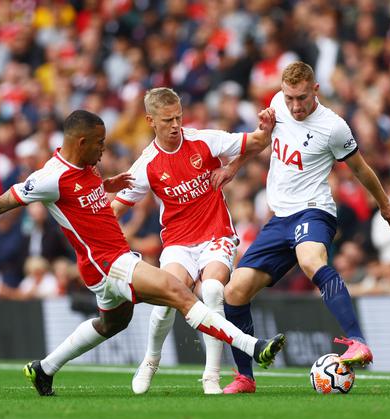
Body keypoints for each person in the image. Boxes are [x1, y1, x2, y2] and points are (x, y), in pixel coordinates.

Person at [0, 109, 287, 396]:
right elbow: (1, 203)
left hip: (103, 266)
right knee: (179, 292)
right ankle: (253, 346)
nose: (105, 148)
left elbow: (83, 194)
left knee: (112, 325)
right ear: (82, 142)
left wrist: (107, 184)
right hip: (109, 264)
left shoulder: (86, 167)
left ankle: (45, 368)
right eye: (100, 143)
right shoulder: (49, 177)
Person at [212, 61, 390, 393]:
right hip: (279, 220)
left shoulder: (334, 127)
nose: (295, 106)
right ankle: (245, 377)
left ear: (315, 90)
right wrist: (234, 167)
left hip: (314, 212)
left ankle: (357, 342)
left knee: (311, 260)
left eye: (301, 98)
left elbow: (360, 169)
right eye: (290, 98)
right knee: (234, 290)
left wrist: (384, 202)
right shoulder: (277, 104)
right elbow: (261, 141)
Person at [111, 88, 274, 394]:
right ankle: (150, 361)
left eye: (178, 117)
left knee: (212, 290)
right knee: (166, 299)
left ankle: (211, 376)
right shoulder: (148, 164)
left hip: (217, 234)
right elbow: (115, 209)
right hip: (177, 242)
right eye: (167, 119)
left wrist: (259, 134)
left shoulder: (204, 140)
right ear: (150, 121)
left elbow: (257, 141)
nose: (175, 125)